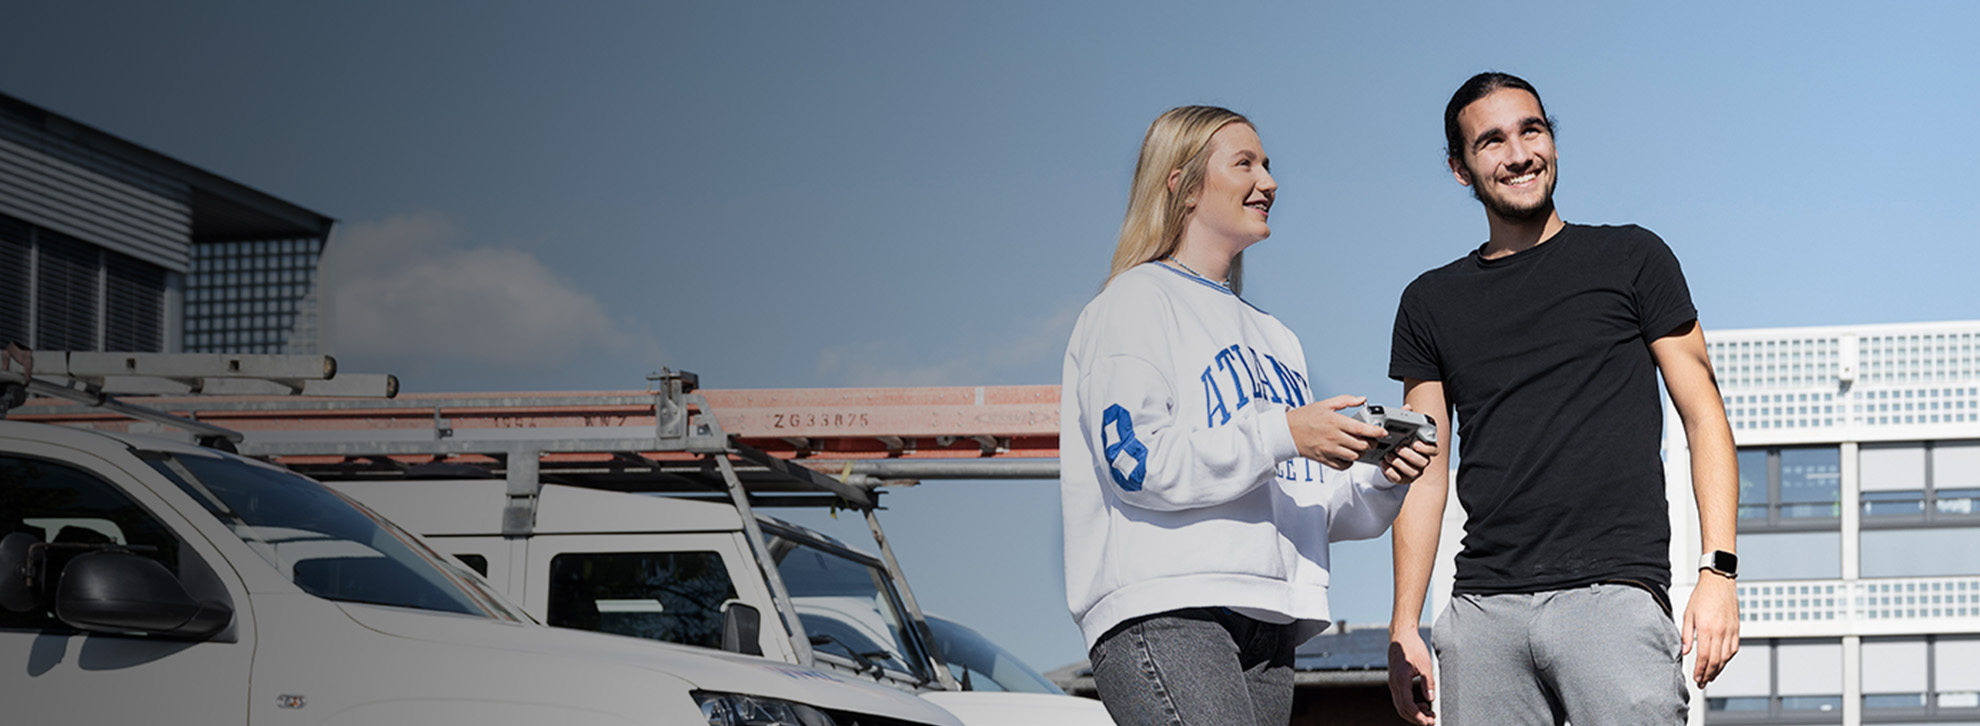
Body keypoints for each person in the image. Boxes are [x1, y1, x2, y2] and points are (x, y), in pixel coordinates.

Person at [1383, 72, 1740, 726]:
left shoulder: (1632, 257)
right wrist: (1405, 621)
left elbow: (1704, 413)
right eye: (1491, 141)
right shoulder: (1429, 303)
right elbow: (1425, 470)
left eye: (1532, 130)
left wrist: (1718, 572)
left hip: (1613, 597)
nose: (1518, 153)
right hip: (1485, 611)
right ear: (1462, 169)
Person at [1061, 105, 1437, 726]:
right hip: (1170, 609)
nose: (1269, 180)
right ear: (1180, 185)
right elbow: (1135, 462)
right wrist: (1284, 432)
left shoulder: (1277, 337)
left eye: (1267, 164)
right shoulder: (1133, 301)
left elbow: (1303, 501)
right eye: (1245, 163)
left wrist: (1380, 478)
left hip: (1271, 619)